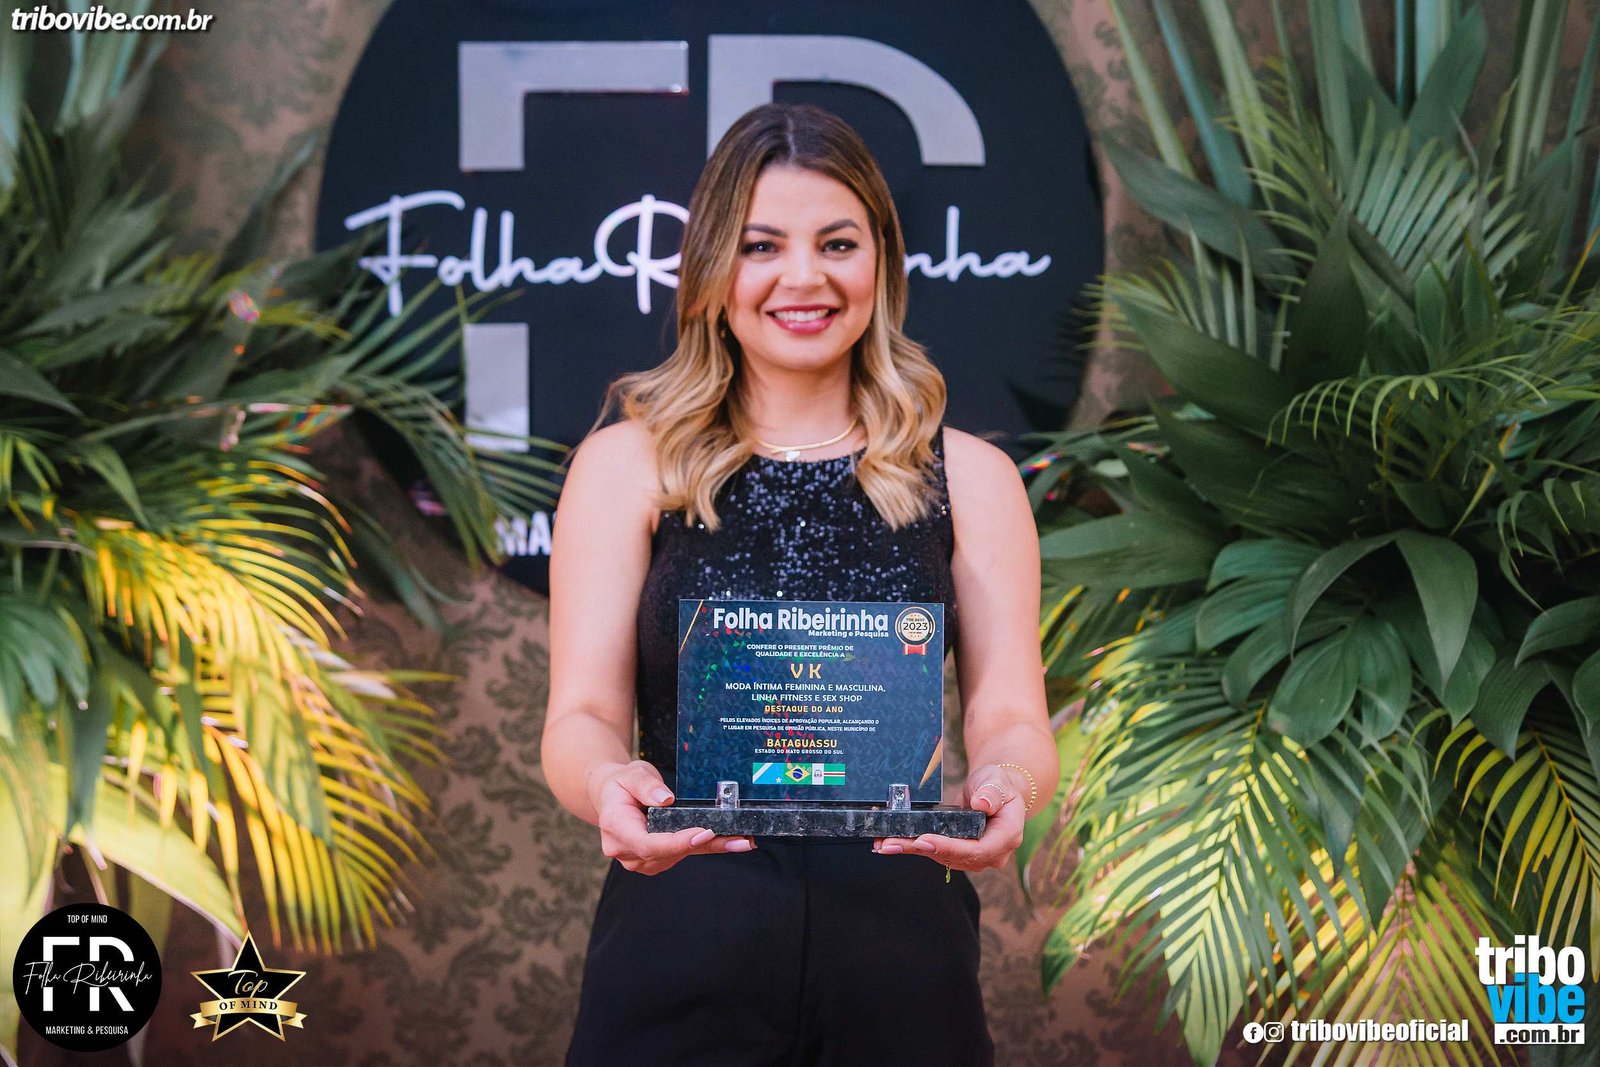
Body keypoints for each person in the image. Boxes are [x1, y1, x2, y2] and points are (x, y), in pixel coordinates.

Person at [541, 102, 1056, 1066]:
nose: (805, 277)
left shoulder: (973, 476)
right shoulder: (627, 466)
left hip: (903, 946)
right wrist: (609, 783)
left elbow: (1013, 715)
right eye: (762, 245)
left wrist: (1008, 781)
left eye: (838, 243)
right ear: (711, 269)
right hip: (682, 933)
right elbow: (579, 717)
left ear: (881, 263)